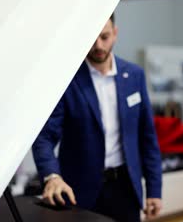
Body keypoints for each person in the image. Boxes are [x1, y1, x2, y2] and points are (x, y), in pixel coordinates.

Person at [32, 13, 163, 222]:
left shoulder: (134, 75)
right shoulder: (68, 79)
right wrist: (52, 176)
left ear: (115, 34)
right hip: (80, 192)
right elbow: (44, 137)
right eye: (92, 38)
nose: (98, 45)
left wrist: (154, 190)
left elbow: (147, 137)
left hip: (126, 189)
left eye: (105, 37)